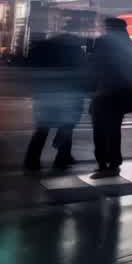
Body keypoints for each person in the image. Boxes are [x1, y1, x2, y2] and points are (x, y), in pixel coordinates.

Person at [88, 18, 132, 179]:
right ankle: (114, 163)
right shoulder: (131, 45)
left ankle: (103, 164)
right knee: (114, 130)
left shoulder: (103, 42)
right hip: (122, 94)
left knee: (99, 130)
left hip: (105, 92)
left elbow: (94, 66)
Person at [23, 31, 86, 172]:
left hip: (45, 95)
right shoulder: (76, 51)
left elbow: (31, 70)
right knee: (66, 127)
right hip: (68, 95)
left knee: (42, 129)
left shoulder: (42, 49)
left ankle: (32, 160)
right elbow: (82, 73)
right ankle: (62, 157)